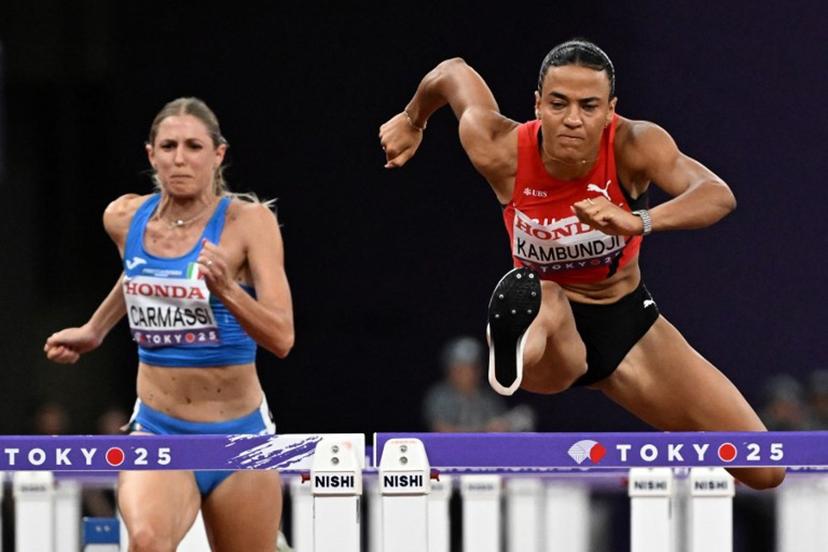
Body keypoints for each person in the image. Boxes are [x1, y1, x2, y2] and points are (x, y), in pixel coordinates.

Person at [379, 40, 784, 489]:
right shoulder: (500, 148)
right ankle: (512, 345)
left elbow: (715, 194)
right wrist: (413, 118)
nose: (573, 118)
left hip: (627, 324)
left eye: (588, 106)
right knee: (543, 292)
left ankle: (519, 342)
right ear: (538, 104)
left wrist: (636, 221)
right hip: (553, 332)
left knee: (765, 468)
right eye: (558, 103)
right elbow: (451, 72)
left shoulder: (634, 144)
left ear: (610, 110)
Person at [44, 97, 294, 551]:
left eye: (194, 146)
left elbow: (282, 337)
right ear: (151, 155)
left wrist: (228, 291)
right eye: (169, 145)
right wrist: (94, 330)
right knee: (146, 542)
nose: (180, 158)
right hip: (160, 430)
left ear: (218, 154)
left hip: (238, 436)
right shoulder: (123, 218)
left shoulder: (250, 224)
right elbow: (140, 276)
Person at [423, 336, 535, 432]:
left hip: (484, 452)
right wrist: (485, 430)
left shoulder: (488, 397)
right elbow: (442, 430)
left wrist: (505, 424)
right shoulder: (439, 396)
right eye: (461, 368)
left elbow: (499, 428)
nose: (468, 374)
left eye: (473, 368)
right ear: (450, 370)